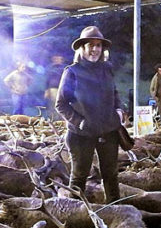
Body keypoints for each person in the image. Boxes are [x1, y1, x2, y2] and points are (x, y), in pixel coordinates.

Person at [54, 26, 124, 203]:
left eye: (98, 45)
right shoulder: (72, 72)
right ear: (82, 48)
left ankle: (117, 212)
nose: (95, 49)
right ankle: (75, 216)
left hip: (109, 131)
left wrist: (119, 111)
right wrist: (80, 122)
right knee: (79, 177)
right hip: (81, 134)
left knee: (111, 175)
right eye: (90, 45)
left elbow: (115, 92)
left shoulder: (107, 69)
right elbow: (61, 104)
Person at [44, 54, 65, 120]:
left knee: (61, 105)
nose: (58, 60)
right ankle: (53, 120)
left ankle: (61, 121)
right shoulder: (50, 68)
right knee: (53, 105)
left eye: (60, 58)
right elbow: (47, 80)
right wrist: (47, 90)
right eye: (56, 58)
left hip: (62, 89)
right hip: (53, 89)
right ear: (53, 59)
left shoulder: (64, 68)